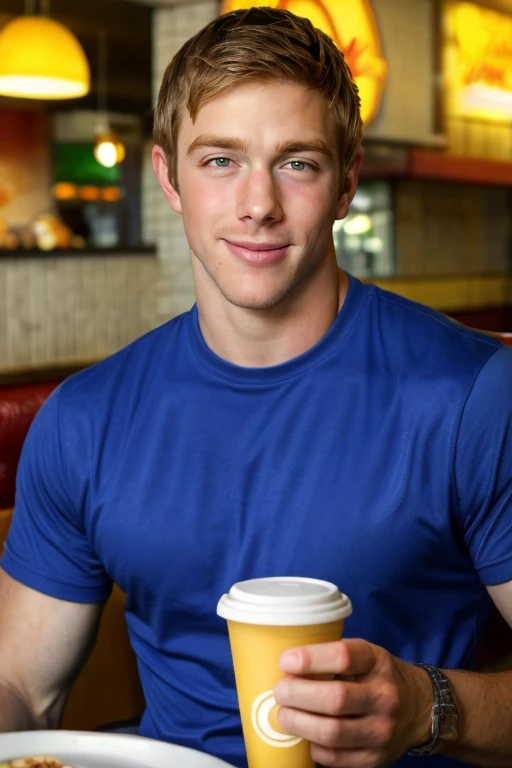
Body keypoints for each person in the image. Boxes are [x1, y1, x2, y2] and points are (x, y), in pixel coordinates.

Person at [1, 7, 512, 767]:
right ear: (170, 178)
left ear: (345, 183)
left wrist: (425, 706)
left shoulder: (475, 395)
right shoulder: (85, 419)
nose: (258, 205)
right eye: (221, 160)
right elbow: (21, 686)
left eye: (297, 161)